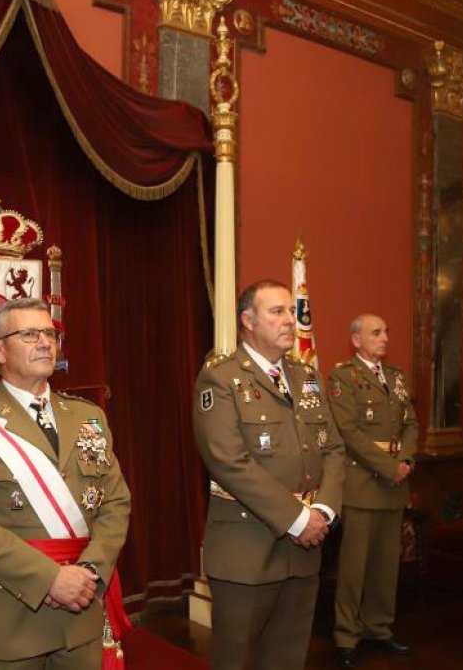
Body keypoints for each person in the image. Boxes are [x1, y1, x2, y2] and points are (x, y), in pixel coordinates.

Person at [0, 298, 131, 669]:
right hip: (6, 619)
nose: (45, 342)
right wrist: (49, 579)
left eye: (49, 333)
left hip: (81, 614)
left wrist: (91, 571)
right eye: (28, 334)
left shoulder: (90, 417)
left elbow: (115, 504)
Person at [193, 279, 346, 670]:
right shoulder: (222, 378)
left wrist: (324, 511)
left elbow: (332, 448)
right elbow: (228, 460)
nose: (290, 321)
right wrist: (297, 519)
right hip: (248, 549)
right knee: (237, 660)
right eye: (277, 312)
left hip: (305, 548)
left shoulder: (307, 377)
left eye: (291, 313)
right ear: (248, 320)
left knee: (287, 658)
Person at [328, 314, 416, 668]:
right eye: (376, 332)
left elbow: (411, 422)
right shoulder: (343, 377)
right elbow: (348, 432)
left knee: (385, 565)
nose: (384, 338)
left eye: (386, 331)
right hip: (364, 484)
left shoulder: (396, 378)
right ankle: (346, 635)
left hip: (395, 485)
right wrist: (388, 466)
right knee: (354, 567)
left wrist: (406, 459)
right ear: (356, 340)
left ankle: (378, 628)